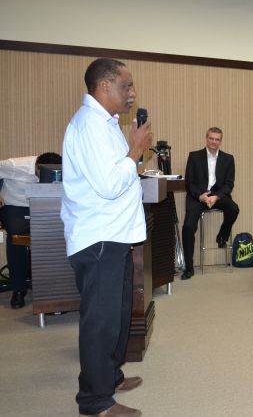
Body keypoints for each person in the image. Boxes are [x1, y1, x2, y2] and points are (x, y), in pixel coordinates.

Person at [61, 58, 152, 417]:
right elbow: (110, 185)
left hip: (114, 236)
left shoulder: (106, 124)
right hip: (98, 239)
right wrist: (136, 151)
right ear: (104, 86)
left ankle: (110, 377)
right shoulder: (89, 125)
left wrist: (131, 153)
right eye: (126, 86)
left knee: (116, 315)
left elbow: (117, 173)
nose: (132, 93)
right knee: (100, 321)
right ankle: (95, 402)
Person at [0, 152, 62, 308]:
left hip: (43, 205)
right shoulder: (15, 166)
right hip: (16, 206)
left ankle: (49, 286)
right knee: (16, 237)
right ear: (37, 167)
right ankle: (18, 289)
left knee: (56, 233)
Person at [181, 127, 239, 280]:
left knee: (233, 209)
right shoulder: (194, 156)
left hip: (217, 195)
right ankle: (189, 268)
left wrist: (216, 197)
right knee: (188, 227)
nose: (214, 142)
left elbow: (229, 184)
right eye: (211, 138)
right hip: (198, 196)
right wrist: (201, 196)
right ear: (206, 138)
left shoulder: (228, 159)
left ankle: (222, 236)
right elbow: (189, 183)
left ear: (221, 141)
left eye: (217, 139)